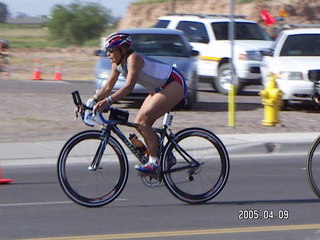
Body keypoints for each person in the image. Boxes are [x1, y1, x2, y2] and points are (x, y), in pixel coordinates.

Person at [91, 32, 187, 174]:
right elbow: (107, 87)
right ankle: (165, 156)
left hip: (173, 83)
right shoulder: (116, 64)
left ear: (123, 49)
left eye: (111, 50)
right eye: (107, 51)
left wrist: (108, 101)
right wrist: (92, 101)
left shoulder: (133, 59)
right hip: (158, 88)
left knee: (144, 122)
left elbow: (128, 87)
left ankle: (154, 163)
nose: (108, 54)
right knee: (138, 123)